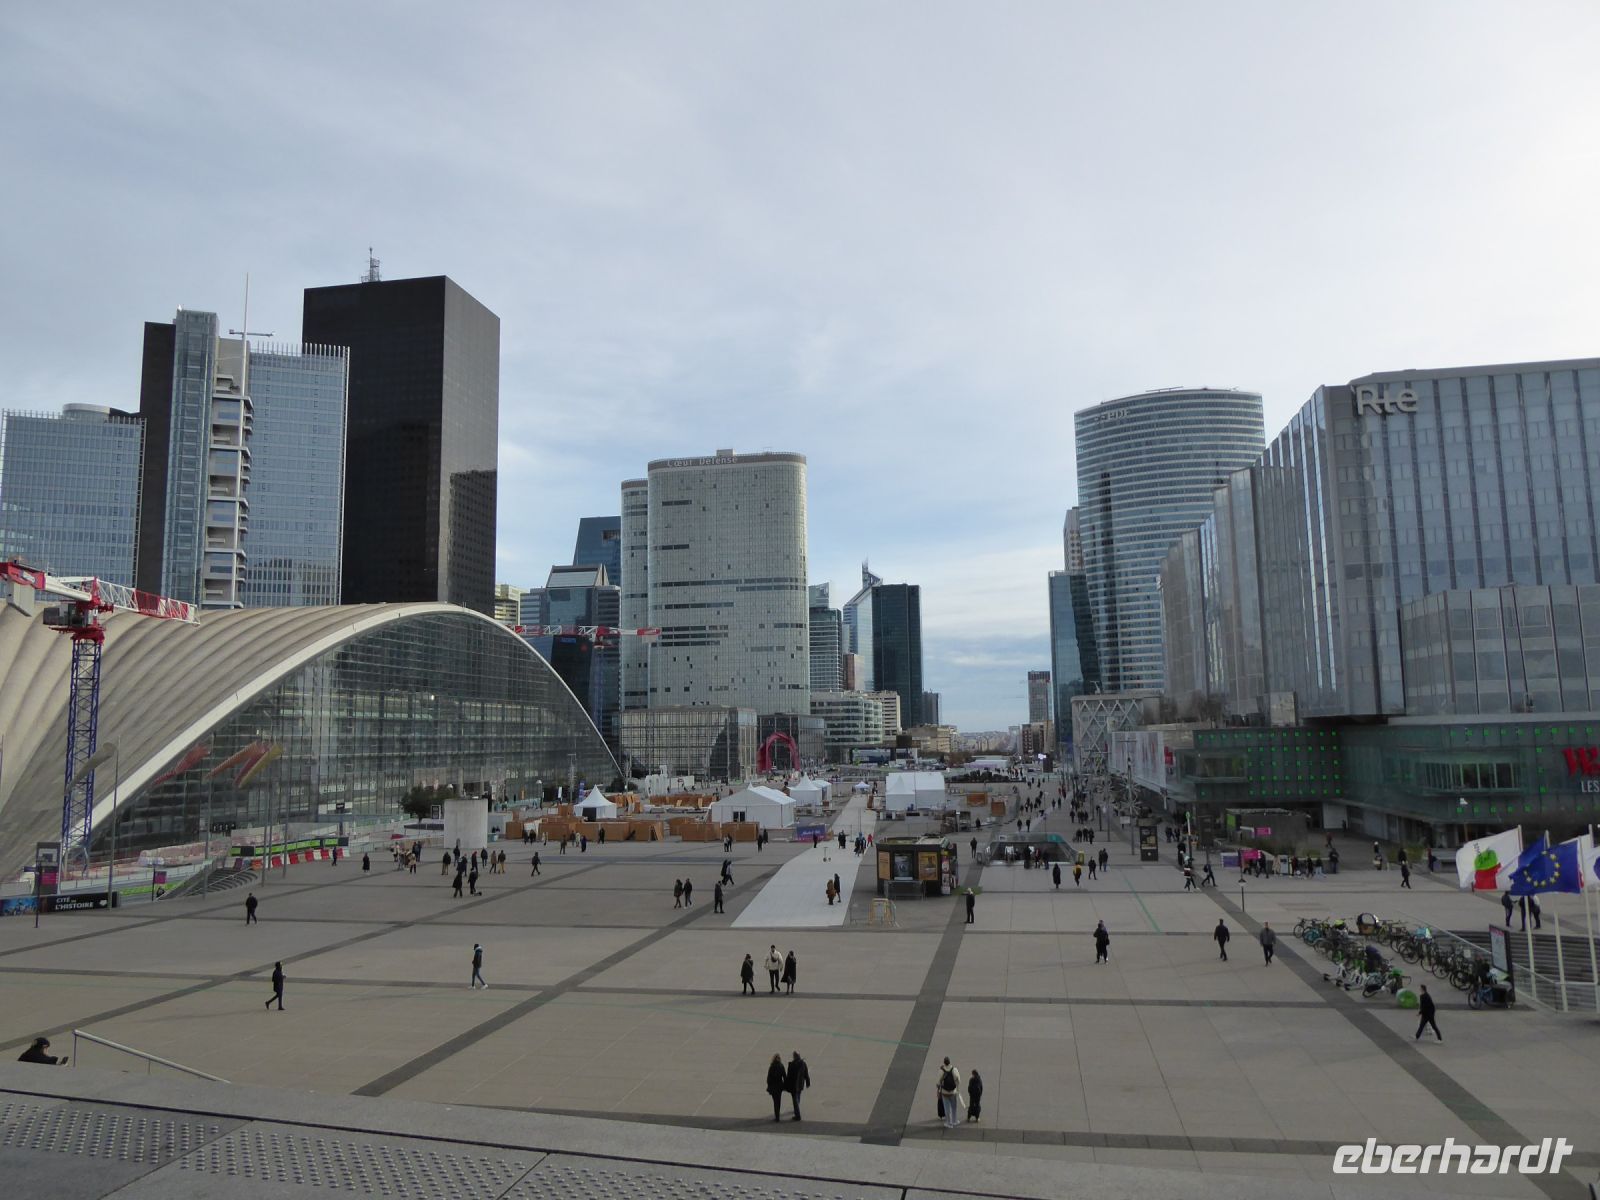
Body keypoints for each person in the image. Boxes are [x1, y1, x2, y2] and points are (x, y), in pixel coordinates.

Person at [935, 1057, 961, 1127]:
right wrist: (957, 1088)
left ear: (944, 1062)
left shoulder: (941, 1071)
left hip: (944, 1092)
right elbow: (958, 1079)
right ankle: (954, 1121)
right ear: (949, 1062)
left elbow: (938, 1083)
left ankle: (948, 1123)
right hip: (953, 1092)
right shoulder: (954, 1069)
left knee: (947, 1108)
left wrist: (938, 1090)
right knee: (954, 1107)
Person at [784, 1050, 810, 1121]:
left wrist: (786, 1086)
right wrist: (808, 1082)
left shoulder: (792, 1065)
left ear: (794, 1056)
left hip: (793, 1086)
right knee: (798, 1097)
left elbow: (788, 1077)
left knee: (795, 1100)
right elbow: (806, 1074)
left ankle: (797, 1115)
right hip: (800, 1085)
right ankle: (796, 1109)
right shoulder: (803, 1064)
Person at [765, 1053, 787, 1121]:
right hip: (779, 1086)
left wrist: (769, 1085)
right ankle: (778, 1116)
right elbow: (784, 1077)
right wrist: (785, 1085)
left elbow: (769, 1078)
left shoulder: (772, 1066)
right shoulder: (781, 1066)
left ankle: (777, 1116)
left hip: (773, 1086)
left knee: (775, 1102)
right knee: (779, 1101)